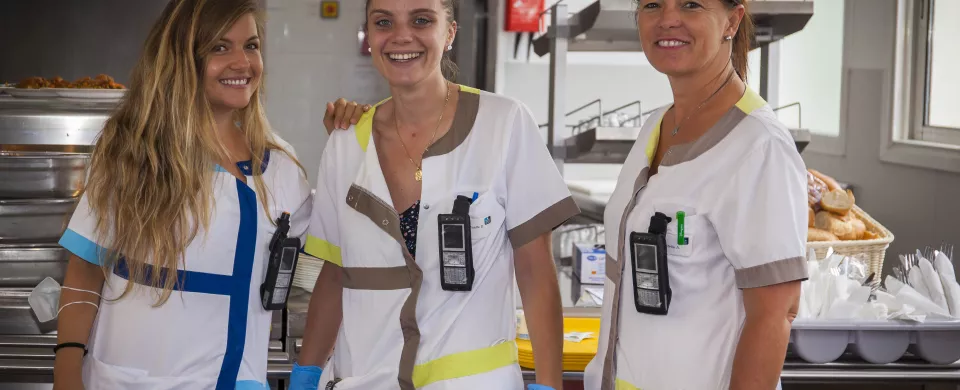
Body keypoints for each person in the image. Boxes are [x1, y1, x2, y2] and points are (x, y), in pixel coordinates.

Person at [290, 0, 579, 389]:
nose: (401, 36)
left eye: (422, 20)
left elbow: (535, 270)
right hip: (366, 378)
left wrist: (548, 384)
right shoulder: (346, 144)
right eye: (383, 22)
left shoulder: (503, 123)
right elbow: (336, 274)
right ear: (370, 36)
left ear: (449, 33)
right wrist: (305, 374)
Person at [47, 0, 318, 388]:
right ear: (181, 59)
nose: (242, 62)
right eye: (219, 48)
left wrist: (360, 133)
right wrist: (67, 371)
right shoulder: (132, 152)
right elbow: (86, 269)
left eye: (251, 45)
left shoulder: (282, 170)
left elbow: (331, 263)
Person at [581, 1, 808, 389]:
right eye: (652, 4)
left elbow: (774, 315)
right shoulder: (655, 127)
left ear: (731, 21)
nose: (668, 19)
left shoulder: (758, 146)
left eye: (691, 4)